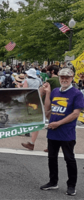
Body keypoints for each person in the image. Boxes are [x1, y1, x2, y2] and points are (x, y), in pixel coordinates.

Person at [40, 68, 83, 196]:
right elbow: (48, 108)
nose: (64, 80)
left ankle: (71, 185)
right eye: (62, 77)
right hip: (53, 131)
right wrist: (47, 93)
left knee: (69, 159)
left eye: (67, 78)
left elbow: (76, 113)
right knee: (51, 157)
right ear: (59, 78)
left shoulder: (77, 93)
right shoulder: (55, 91)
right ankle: (53, 182)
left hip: (67, 132)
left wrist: (59, 123)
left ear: (72, 78)